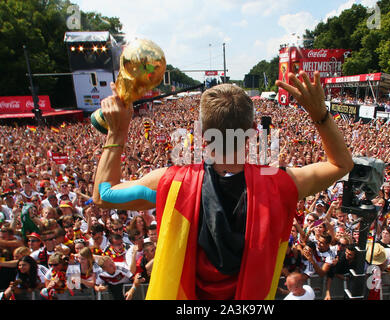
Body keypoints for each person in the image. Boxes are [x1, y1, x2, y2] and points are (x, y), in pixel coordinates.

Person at [93, 70, 353, 299]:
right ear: (253, 131)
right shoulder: (281, 182)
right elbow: (341, 164)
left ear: (203, 134)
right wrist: (319, 114)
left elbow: (104, 195)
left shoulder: (171, 182)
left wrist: (116, 132)